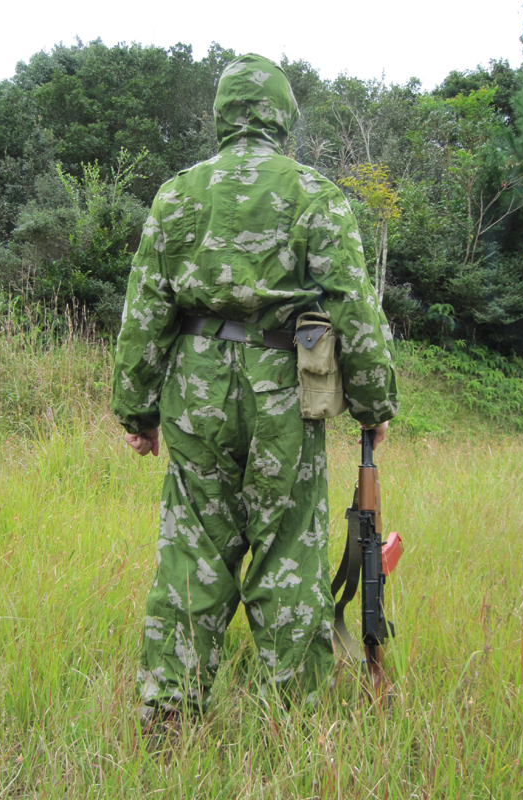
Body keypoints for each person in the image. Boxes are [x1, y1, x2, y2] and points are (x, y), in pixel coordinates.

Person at [112, 53, 398, 714]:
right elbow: (355, 309)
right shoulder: (313, 194)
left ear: (223, 117)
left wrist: (137, 413)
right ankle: (298, 725)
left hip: (195, 388)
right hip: (284, 392)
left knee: (191, 551)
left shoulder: (179, 194)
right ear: (282, 116)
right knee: (287, 550)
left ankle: (168, 717)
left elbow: (145, 309)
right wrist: (373, 403)